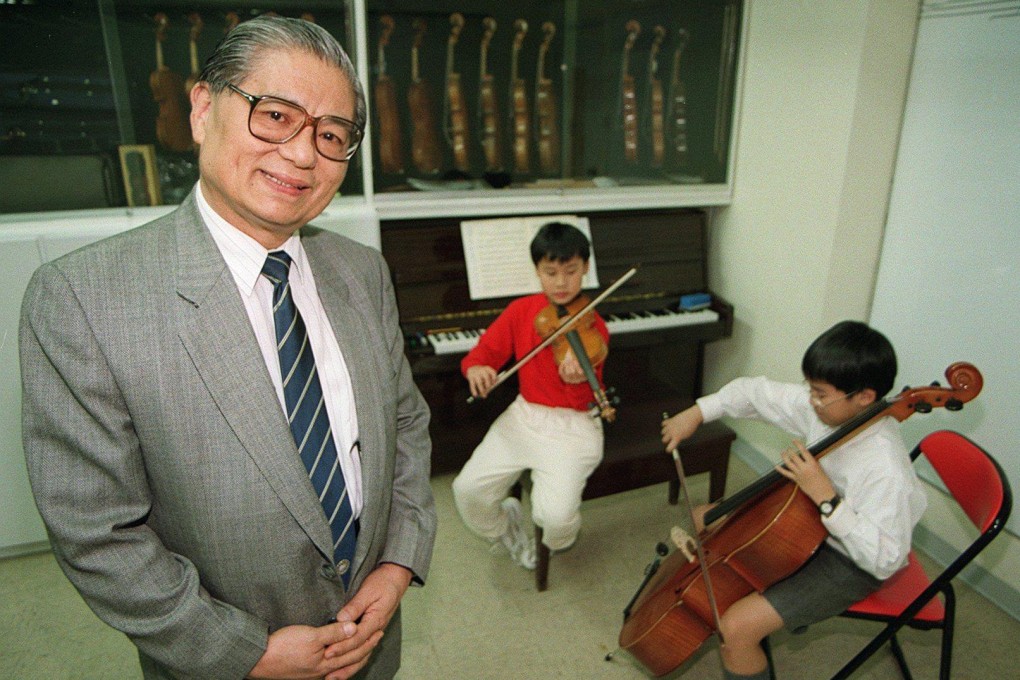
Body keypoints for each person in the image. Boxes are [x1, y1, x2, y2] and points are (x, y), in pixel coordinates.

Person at [19, 16, 435, 680]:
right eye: (275, 116)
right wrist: (247, 653)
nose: (303, 155)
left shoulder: (361, 271)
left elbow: (407, 426)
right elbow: (97, 533)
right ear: (203, 108)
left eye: (332, 135)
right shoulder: (80, 299)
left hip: (371, 641)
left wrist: (395, 565)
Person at [660, 320, 926, 680]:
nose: (811, 400)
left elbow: (885, 559)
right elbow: (754, 392)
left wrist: (827, 498)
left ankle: (746, 622)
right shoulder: (829, 408)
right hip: (804, 522)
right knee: (703, 518)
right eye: (810, 389)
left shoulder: (886, 469)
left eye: (820, 394)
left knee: (735, 629)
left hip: (850, 561)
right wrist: (697, 413)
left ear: (864, 396)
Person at [452, 222, 608, 569]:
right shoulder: (521, 311)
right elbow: (483, 354)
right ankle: (506, 527)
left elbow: (592, 375)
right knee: (467, 490)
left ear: (585, 267)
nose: (561, 282)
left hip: (574, 426)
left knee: (555, 518)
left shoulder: (593, 325)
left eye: (571, 271)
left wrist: (578, 374)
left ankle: (552, 544)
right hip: (524, 417)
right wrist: (477, 368)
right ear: (537, 270)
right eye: (550, 272)